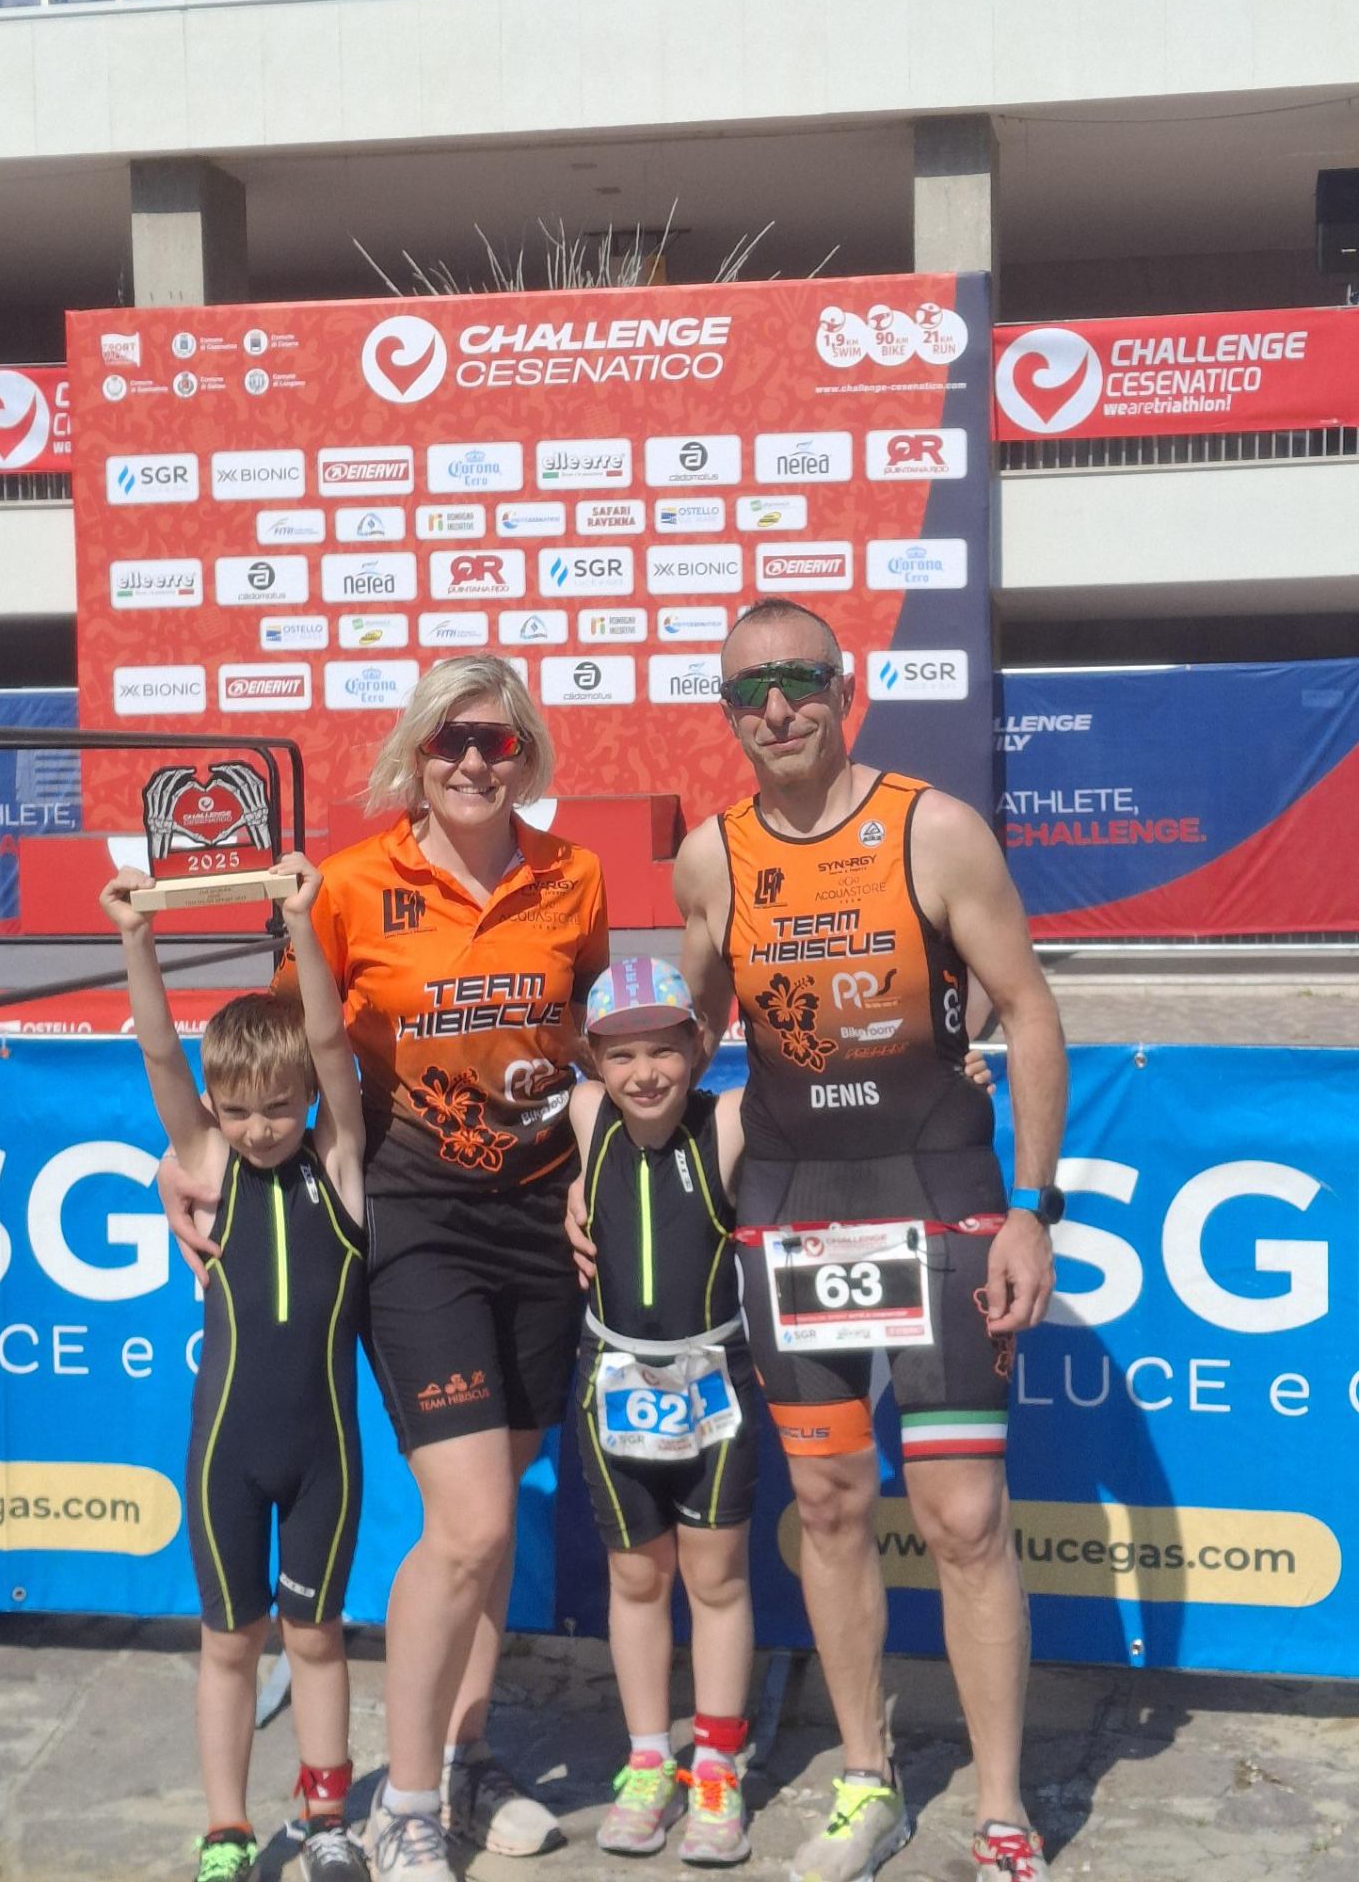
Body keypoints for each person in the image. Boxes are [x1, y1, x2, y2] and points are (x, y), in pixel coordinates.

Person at [163, 657, 608, 1882]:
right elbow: (269, 1060)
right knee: (469, 1522)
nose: (472, 760)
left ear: (526, 754)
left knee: (494, 1511)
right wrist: (183, 1157)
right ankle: (404, 1804)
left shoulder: (573, 876)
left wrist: (592, 1163)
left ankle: (468, 1756)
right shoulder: (355, 884)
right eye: (448, 739)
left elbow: (587, 1045)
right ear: (415, 753)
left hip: (540, 1219)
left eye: (495, 740)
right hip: (412, 1219)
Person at [648, 598, 1064, 1882]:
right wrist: (604, 1169)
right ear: (727, 714)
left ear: (845, 687)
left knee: (963, 1516)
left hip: (939, 1199)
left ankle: (1001, 1809)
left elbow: (1028, 1011)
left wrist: (1034, 1209)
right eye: (748, 692)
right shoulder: (710, 858)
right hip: (791, 1209)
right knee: (828, 1506)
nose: (775, 709)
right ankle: (867, 1779)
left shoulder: (933, 829)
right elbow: (682, 1044)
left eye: (797, 681)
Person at [100, 854, 369, 1882]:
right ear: (216, 1108)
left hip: (324, 1459)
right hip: (224, 1456)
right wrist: (135, 939)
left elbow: (332, 1043)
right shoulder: (212, 1164)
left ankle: (329, 1816)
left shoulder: (337, 1166)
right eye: (240, 1109)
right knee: (227, 1643)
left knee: (317, 1638)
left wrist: (301, 924)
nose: (261, 1127)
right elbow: (161, 1055)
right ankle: (226, 1828)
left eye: (281, 1107)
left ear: (308, 1102)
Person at [570, 956, 755, 1868]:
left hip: (714, 1378)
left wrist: (960, 1068)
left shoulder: (729, 1121)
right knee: (637, 1578)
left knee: (715, 1579)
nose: (644, 1074)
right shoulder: (584, 1116)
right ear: (593, 1062)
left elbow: (836, 1100)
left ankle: (715, 1765)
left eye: (664, 1051)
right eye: (621, 1054)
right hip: (612, 1380)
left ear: (700, 1045)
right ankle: (649, 1761)